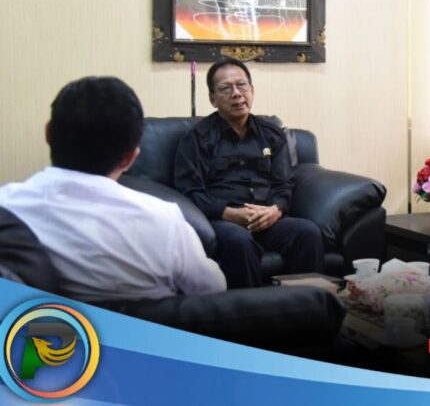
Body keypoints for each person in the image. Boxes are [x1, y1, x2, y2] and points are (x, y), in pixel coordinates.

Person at [0, 77, 226, 302]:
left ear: (48, 134)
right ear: (130, 158)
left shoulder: (7, 206)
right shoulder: (164, 221)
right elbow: (213, 293)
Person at [174, 58, 324, 288]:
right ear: (213, 99)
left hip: (266, 219)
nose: (236, 94)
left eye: (242, 85)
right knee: (239, 241)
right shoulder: (196, 139)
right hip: (223, 221)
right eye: (226, 88)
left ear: (252, 90)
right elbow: (190, 191)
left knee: (307, 232)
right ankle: (250, 309)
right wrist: (230, 214)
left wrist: (275, 210)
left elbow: (283, 183)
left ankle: (303, 305)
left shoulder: (273, 135)